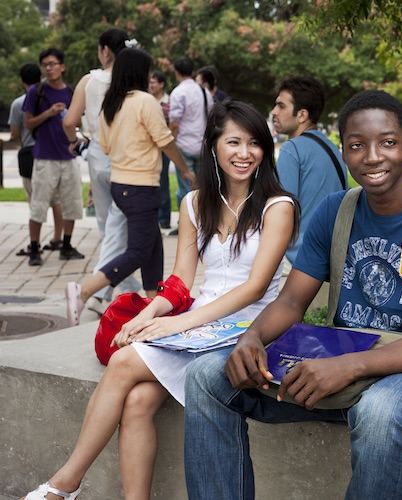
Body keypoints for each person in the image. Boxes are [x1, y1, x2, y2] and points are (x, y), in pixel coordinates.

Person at [183, 90, 402, 499]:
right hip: (334, 360)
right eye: (357, 145)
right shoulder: (335, 210)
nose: (373, 156)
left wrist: (348, 367)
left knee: (379, 411)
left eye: (388, 143)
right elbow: (290, 302)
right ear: (344, 152)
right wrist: (251, 339)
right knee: (205, 375)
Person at [23, 99, 299, 500]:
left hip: (250, 329)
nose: (245, 154)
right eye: (234, 142)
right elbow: (181, 282)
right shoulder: (193, 203)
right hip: (201, 326)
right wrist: (148, 314)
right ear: (213, 146)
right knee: (136, 401)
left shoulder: (278, 206)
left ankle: (64, 484)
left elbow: (255, 288)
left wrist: (179, 323)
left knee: (122, 363)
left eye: (254, 143)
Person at [64, 47, 195, 327]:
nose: (150, 77)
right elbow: (165, 141)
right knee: (138, 250)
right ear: (139, 72)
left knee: (153, 249)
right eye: (148, 71)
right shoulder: (145, 102)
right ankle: (84, 290)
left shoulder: (111, 104)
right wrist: (185, 169)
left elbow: (107, 147)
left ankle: (152, 303)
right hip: (140, 189)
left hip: (121, 186)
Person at [62, 29, 141, 315]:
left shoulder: (89, 80)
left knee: (110, 226)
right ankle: (96, 293)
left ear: (105, 50)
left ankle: (109, 290)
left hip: (96, 153)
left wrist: (76, 139)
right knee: (119, 227)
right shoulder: (132, 80)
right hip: (126, 155)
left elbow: (69, 120)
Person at [271, 76, 348, 266]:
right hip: (335, 255)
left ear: (302, 115)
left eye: (281, 106)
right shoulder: (332, 148)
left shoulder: (292, 149)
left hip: (300, 260)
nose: (274, 112)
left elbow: (279, 213)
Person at [22, 47, 85, 266]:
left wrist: (71, 120)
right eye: (45, 65)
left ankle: (66, 245)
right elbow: (28, 123)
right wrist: (48, 114)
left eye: (52, 64)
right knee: (38, 204)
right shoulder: (36, 92)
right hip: (44, 157)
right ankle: (34, 247)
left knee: (72, 203)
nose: (49, 69)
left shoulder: (71, 92)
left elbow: (79, 122)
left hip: (67, 156)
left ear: (62, 66)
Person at [9, 62, 64, 256]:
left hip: (29, 154)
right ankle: (58, 238)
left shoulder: (18, 103)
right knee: (55, 199)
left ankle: (35, 243)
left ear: (22, 80)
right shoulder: (47, 97)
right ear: (40, 77)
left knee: (35, 200)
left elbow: (15, 133)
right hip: (50, 151)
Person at [169, 56, 213, 232]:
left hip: (184, 146)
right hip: (202, 146)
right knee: (202, 187)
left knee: (186, 188)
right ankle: (203, 222)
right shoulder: (204, 92)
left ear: (176, 72)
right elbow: (211, 117)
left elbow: (174, 123)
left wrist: (171, 143)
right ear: (193, 72)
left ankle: (186, 226)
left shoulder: (178, 93)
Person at [149, 70, 173, 229]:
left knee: (163, 181)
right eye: (150, 82)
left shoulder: (170, 102)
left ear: (161, 84)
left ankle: (164, 218)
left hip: (163, 147)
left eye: (154, 82)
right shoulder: (147, 100)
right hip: (148, 148)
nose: (151, 85)